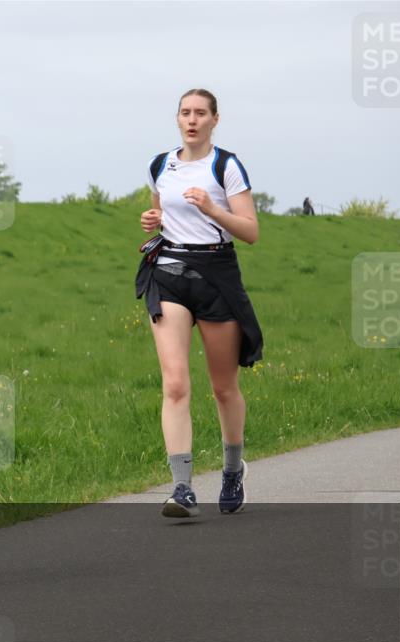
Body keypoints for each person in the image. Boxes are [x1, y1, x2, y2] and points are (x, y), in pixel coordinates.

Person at [134, 88, 262, 518]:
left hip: (216, 275)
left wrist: (212, 208)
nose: (192, 120)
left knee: (223, 387)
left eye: (200, 113)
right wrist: (153, 220)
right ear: (177, 118)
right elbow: (160, 216)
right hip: (169, 272)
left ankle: (232, 470)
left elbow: (250, 231)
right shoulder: (160, 165)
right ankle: (182, 488)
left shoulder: (226, 166)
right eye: (185, 112)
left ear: (214, 120)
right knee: (174, 384)